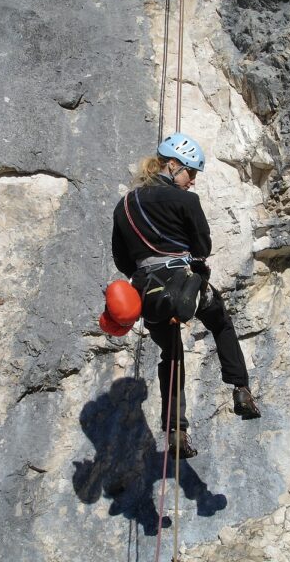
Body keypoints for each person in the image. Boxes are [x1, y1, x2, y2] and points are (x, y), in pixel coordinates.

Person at [111, 132, 261, 459]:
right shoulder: (186, 201)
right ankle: (241, 389)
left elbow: (123, 260)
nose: (192, 181)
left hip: (148, 295)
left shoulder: (123, 206)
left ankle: (176, 431)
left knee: (172, 355)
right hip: (183, 284)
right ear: (172, 165)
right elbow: (202, 248)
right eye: (190, 172)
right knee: (220, 322)